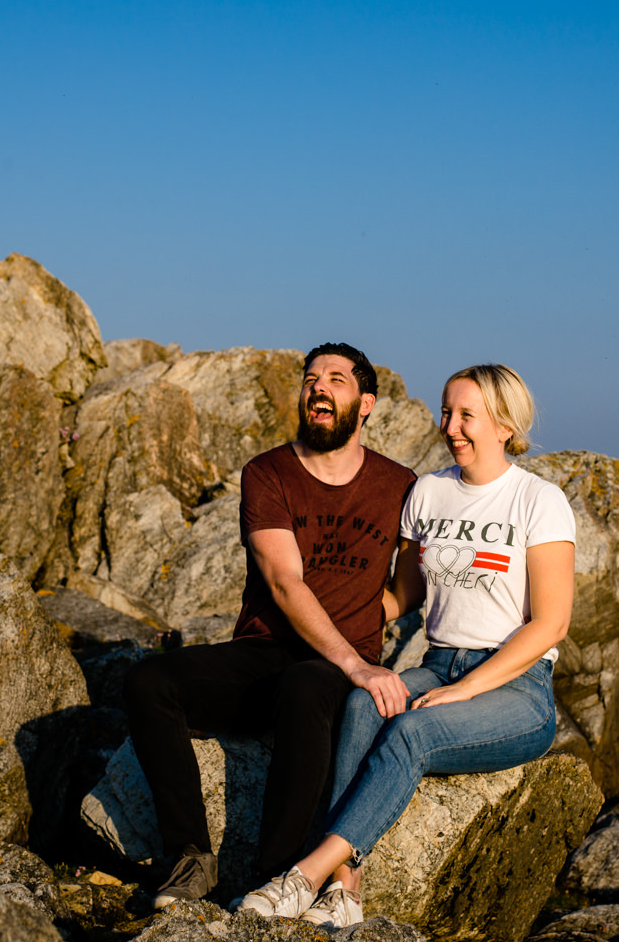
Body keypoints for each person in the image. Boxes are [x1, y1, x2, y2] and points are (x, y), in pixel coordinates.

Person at [237, 363, 576, 928]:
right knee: (365, 704)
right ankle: (348, 892)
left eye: (468, 415)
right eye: (446, 412)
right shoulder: (429, 492)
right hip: (438, 663)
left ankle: (305, 876)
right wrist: (316, 620)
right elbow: (400, 596)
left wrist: (467, 690)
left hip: (518, 687)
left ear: (504, 425)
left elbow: (551, 625)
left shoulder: (538, 501)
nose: (452, 426)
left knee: (411, 730)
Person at [123, 343, 418, 909]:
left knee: (306, 686)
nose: (319, 388)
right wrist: (356, 660)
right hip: (265, 651)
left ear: (367, 403)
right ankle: (189, 859)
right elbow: (284, 582)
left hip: (327, 675)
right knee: (148, 681)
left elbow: (412, 587)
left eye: (336, 379)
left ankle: (278, 876)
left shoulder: (400, 485)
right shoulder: (269, 472)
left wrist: (362, 621)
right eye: (311, 379)